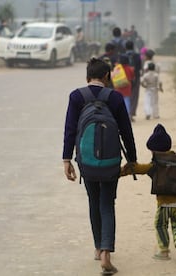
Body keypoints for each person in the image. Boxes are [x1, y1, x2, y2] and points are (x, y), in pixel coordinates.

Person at [63, 58, 137, 275]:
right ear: (107, 76)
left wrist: (66, 159)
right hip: (111, 162)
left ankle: (97, 248)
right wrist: (131, 160)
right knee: (107, 203)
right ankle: (106, 253)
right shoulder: (115, 97)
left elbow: (70, 130)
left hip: (86, 162)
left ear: (88, 77)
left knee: (93, 201)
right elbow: (126, 132)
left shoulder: (76, 97)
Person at [120, 124, 176, 263]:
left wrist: (121, 172)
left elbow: (138, 168)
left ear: (154, 150)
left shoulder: (156, 165)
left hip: (165, 203)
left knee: (160, 225)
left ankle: (164, 251)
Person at [112, 54, 135, 120]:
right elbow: (132, 77)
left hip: (118, 88)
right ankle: (127, 115)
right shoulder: (129, 68)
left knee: (118, 101)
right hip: (127, 87)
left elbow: (113, 76)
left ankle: (118, 115)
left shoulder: (117, 68)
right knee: (127, 101)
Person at [125, 40, 142, 121]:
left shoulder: (123, 56)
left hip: (125, 78)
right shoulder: (137, 55)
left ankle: (125, 113)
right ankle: (131, 113)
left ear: (125, 47)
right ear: (133, 46)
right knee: (134, 95)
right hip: (135, 77)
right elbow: (140, 67)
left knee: (125, 95)